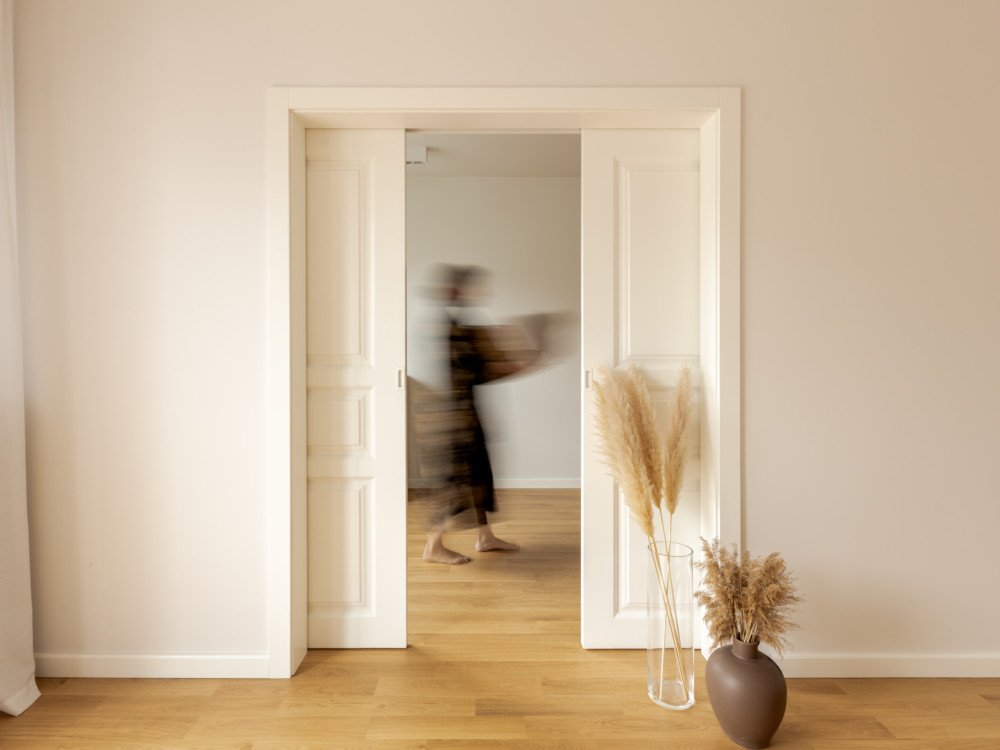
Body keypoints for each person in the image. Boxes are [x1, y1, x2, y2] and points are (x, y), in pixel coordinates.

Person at [418, 265, 540, 565]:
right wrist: (519, 364)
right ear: (456, 289)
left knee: (480, 477)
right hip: (453, 421)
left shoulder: (459, 326)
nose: (478, 293)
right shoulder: (451, 330)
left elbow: (480, 369)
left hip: (465, 415)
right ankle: (433, 547)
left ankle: (485, 537)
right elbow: (474, 372)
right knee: (455, 482)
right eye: (471, 287)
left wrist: (513, 361)